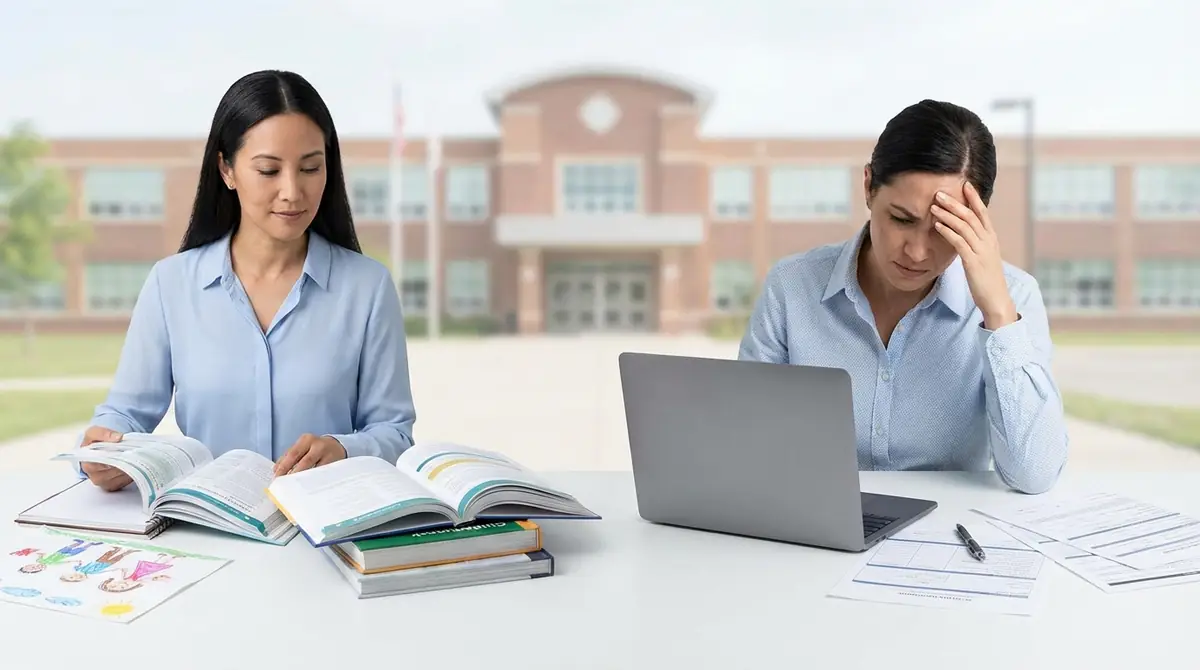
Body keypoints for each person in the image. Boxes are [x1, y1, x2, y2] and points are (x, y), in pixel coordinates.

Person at [79, 69, 417, 492]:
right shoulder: (172, 284)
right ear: (227, 170)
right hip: (206, 531)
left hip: (325, 533)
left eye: (311, 168)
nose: (293, 191)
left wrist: (343, 449)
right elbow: (125, 414)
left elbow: (395, 434)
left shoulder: (367, 288)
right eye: (269, 170)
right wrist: (103, 451)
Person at [738, 99, 1068, 495]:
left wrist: (997, 312)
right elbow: (749, 442)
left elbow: (1035, 475)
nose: (917, 252)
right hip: (817, 524)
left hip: (949, 537)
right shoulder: (791, 288)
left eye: (944, 229)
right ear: (868, 187)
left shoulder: (1015, 296)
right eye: (901, 219)